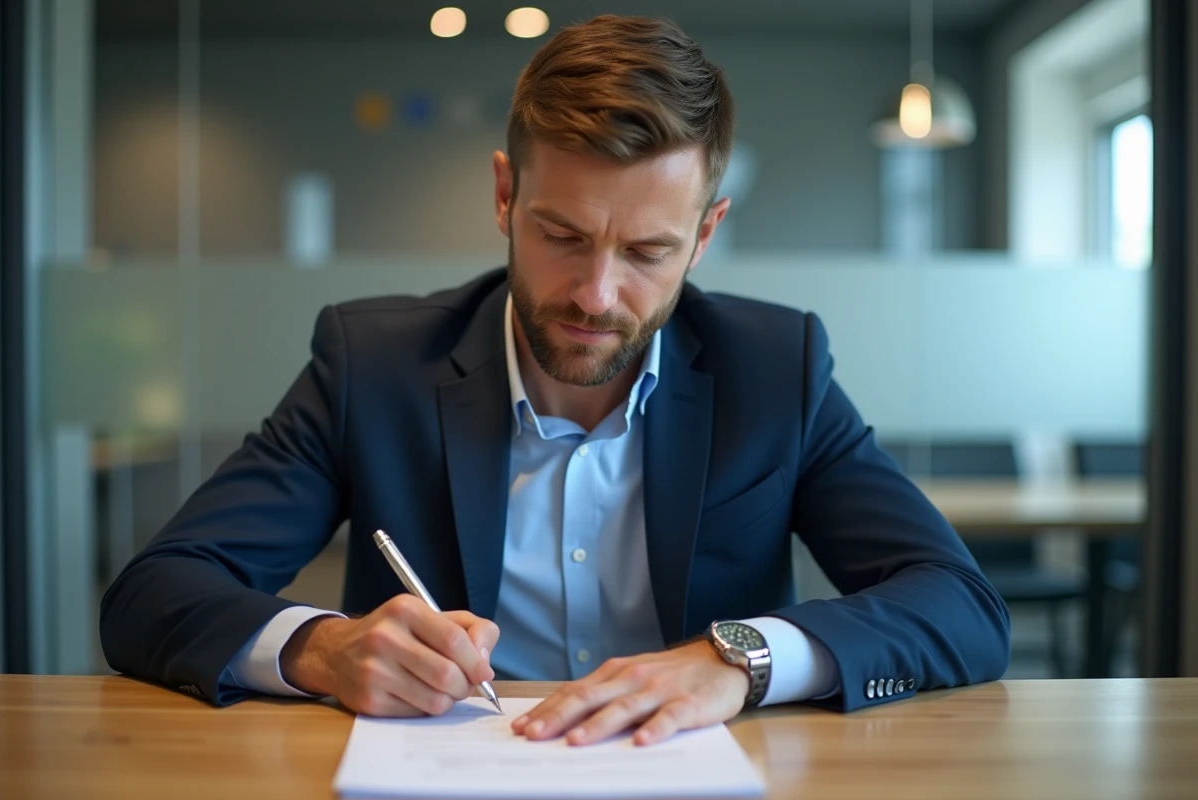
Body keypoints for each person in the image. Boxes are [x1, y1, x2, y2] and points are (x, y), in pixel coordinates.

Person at [100, 15, 1009, 747]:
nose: (596, 295)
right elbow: (154, 593)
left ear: (705, 232)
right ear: (505, 195)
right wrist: (321, 647)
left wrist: (741, 658)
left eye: (649, 251)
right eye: (562, 235)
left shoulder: (778, 368)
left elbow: (959, 605)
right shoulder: (370, 366)